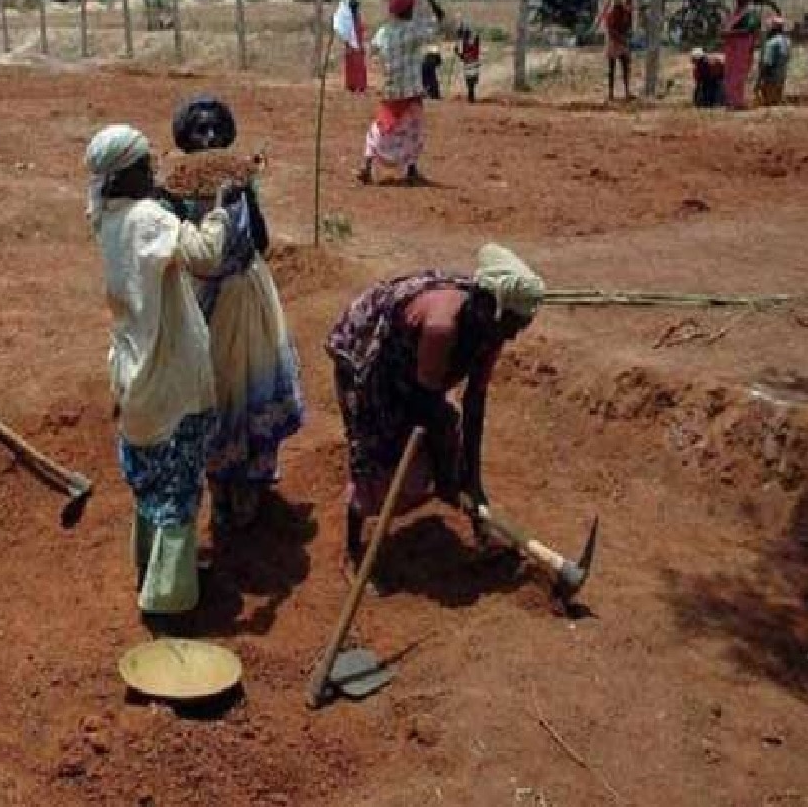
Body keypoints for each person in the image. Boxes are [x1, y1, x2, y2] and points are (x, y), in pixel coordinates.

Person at [85, 124, 235, 618]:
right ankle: (169, 600)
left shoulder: (107, 218)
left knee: (149, 481)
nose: (154, 172)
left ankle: (151, 565)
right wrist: (218, 208)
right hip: (170, 378)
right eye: (146, 166)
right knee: (180, 489)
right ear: (125, 173)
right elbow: (207, 258)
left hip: (133, 373)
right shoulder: (148, 219)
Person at [326, 244, 545, 576]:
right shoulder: (442, 327)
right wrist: (446, 473)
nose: (514, 336)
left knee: (450, 433)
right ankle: (354, 552)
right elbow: (425, 404)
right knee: (374, 450)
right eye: (514, 325)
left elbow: (474, 404)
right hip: (370, 363)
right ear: (493, 310)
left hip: (415, 371)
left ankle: (482, 533)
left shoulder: (491, 328)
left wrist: (472, 480)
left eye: (521, 327)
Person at [163, 97, 304, 534]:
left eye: (216, 132)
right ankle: (221, 488)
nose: (208, 139)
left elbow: (259, 242)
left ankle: (250, 482)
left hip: (245, 293)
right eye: (199, 131)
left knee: (252, 388)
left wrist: (244, 193)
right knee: (214, 395)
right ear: (184, 140)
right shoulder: (173, 191)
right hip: (201, 301)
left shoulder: (239, 183)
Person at [358, 0, 445, 186]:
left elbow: (371, 51)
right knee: (414, 131)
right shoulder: (414, 31)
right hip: (411, 91)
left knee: (381, 128)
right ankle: (411, 169)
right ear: (410, 10)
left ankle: (367, 165)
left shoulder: (383, 32)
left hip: (391, 90)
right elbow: (438, 22)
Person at [722, 0, 761, 109]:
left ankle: (738, 102)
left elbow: (749, 30)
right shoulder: (737, 11)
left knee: (738, 75)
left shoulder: (750, 12)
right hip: (732, 48)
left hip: (742, 48)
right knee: (729, 74)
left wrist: (729, 33)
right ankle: (732, 101)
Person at [600, 0, 632, 100]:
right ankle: (612, 93)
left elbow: (628, 26)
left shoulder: (626, 12)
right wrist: (622, 39)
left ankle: (626, 91)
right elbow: (611, 30)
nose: (619, 5)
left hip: (621, 40)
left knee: (625, 67)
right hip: (614, 41)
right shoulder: (611, 14)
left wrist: (625, 37)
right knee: (613, 68)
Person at [755, 15, 791, 107]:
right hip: (782, 76)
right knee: (776, 101)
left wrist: (759, 81)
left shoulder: (771, 43)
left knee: (768, 103)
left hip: (771, 78)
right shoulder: (787, 41)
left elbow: (766, 63)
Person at [343, 0, 367, 94]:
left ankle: (354, 85)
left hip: (353, 46)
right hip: (357, 46)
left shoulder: (350, 19)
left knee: (353, 66)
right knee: (358, 66)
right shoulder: (357, 19)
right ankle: (358, 86)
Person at [456, 23, 482, 103]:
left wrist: (457, 52)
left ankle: (471, 98)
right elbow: (462, 57)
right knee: (471, 84)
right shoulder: (469, 46)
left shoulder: (469, 47)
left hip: (470, 67)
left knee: (471, 83)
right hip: (471, 67)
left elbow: (462, 57)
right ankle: (471, 98)